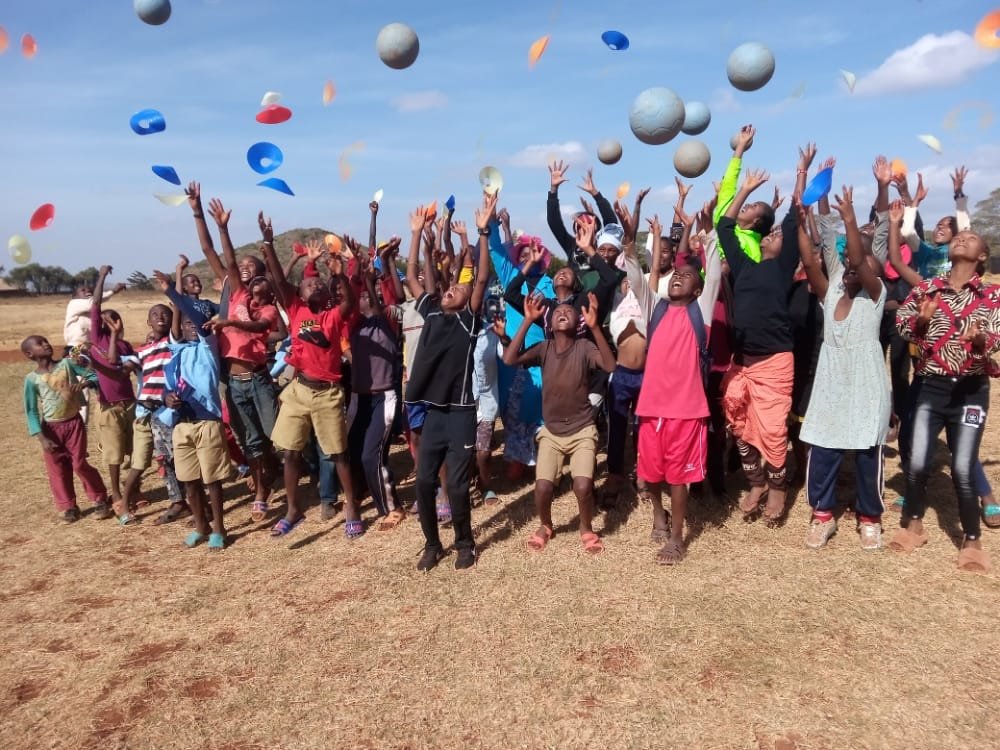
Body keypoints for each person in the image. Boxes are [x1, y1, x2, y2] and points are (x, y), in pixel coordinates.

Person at [719, 129, 813, 524]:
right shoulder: (743, 265)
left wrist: (801, 172)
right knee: (738, 425)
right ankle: (755, 482)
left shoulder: (782, 264)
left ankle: (777, 490)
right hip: (744, 360)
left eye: (778, 234)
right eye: (770, 232)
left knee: (773, 432)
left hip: (774, 361)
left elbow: (794, 213)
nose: (775, 235)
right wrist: (745, 189)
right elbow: (725, 227)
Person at [892, 223, 998, 572]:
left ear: (982, 255)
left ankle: (972, 540)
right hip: (930, 387)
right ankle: (914, 525)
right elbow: (903, 325)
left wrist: (981, 341)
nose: (962, 239)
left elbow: (997, 337)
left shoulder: (992, 296)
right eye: (959, 237)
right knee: (918, 462)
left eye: (971, 238)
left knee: (963, 467)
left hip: (970, 391)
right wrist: (921, 322)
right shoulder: (927, 288)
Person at [795, 188, 891, 551]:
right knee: (823, 445)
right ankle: (822, 515)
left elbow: (859, 258)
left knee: (867, 451)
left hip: (865, 379)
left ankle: (870, 518)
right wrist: (798, 222)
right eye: (849, 265)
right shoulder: (832, 290)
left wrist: (849, 220)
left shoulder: (875, 294)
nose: (854, 267)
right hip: (831, 378)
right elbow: (811, 261)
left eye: (862, 265)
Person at [404, 193, 496, 571]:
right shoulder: (429, 309)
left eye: (458, 288)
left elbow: (481, 277)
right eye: (448, 288)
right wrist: (415, 233)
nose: (450, 289)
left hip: (460, 412)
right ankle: (431, 545)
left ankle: (464, 543)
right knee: (424, 483)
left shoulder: (468, 320)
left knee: (457, 485)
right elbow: (411, 273)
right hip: (434, 413)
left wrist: (482, 232)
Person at [258, 211, 362, 539]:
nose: (314, 285)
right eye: (308, 284)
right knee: (289, 451)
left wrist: (340, 275)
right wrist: (269, 244)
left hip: (327, 393)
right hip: (299, 390)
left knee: (338, 452)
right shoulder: (296, 310)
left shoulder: (333, 316)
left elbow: (350, 302)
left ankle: (352, 506)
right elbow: (278, 280)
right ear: (299, 295)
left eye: (318, 283)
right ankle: (293, 509)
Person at [187, 184, 281, 522]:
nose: (242, 267)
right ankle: (261, 490)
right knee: (250, 439)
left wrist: (226, 230)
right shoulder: (232, 290)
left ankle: (286, 469)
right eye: (240, 265)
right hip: (232, 378)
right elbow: (209, 249)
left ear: (260, 277)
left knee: (275, 435)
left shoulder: (260, 304)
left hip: (257, 377)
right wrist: (199, 213)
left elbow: (226, 257)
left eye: (250, 265)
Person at [634, 211, 722, 564]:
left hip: (687, 410)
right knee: (650, 473)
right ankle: (659, 513)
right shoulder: (654, 309)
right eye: (675, 275)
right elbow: (636, 276)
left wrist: (708, 232)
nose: (677, 279)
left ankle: (676, 537)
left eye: (686, 277)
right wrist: (630, 239)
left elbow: (713, 272)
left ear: (698, 290)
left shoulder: (701, 312)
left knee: (678, 477)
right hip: (650, 407)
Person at [503, 289, 616, 554]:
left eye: (569, 311)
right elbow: (509, 359)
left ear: (579, 322)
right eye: (557, 312)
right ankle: (546, 525)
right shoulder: (544, 348)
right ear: (549, 324)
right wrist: (527, 320)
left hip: (582, 430)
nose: (562, 312)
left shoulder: (585, 347)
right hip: (552, 433)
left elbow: (610, 366)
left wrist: (595, 328)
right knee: (542, 487)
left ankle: (586, 527)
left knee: (583, 486)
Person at [151, 270, 230, 550]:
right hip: (181, 425)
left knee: (212, 480)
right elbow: (167, 388)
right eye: (186, 324)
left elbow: (197, 319)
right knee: (189, 481)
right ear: (180, 329)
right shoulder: (175, 353)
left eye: (195, 323)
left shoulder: (208, 348)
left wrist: (173, 292)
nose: (192, 326)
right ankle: (200, 526)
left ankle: (219, 528)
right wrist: (166, 398)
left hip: (207, 422)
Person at [22, 335, 109, 521]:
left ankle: (100, 498)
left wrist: (86, 383)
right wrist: (42, 438)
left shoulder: (67, 364)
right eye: (39, 344)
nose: (46, 344)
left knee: (79, 464)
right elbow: (31, 411)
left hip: (74, 424)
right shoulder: (31, 379)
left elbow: (93, 375)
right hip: (50, 430)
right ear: (29, 354)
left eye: (46, 341)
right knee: (57, 468)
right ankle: (68, 506)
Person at [117, 303, 185, 526]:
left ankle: (182, 502)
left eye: (165, 313)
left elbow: (177, 325)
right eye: (154, 314)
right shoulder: (141, 351)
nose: (160, 317)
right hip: (147, 412)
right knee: (144, 462)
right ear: (148, 322)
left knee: (175, 459)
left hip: (170, 411)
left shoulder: (174, 343)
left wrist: (176, 299)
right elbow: (121, 371)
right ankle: (125, 504)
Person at [88, 265, 137, 513]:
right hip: (109, 406)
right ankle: (116, 493)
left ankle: (134, 490)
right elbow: (95, 305)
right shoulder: (97, 340)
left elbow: (121, 366)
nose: (112, 321)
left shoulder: (126, 346)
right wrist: (101, 277)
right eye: (107, 318)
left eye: (115, 318)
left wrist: (118, 337)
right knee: (114, 453)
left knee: (134, 449)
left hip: (130, 403)